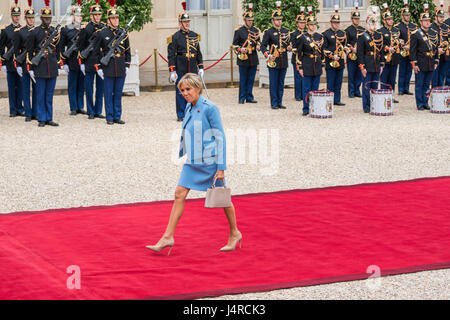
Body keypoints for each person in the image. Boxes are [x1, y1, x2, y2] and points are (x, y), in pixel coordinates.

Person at [146, 73, 241, 255]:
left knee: (222, 198)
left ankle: (235, 233)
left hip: (210, 161)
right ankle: (167, 237)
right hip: (193, 161)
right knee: (179, 194)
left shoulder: (210, 108)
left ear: (198, 88)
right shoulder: (189, 106)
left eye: (188, 89)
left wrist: (221, 167)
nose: (185, 93)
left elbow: (220, 137)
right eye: (182, 90)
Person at [26, 1, 62, 127]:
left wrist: (58, 65)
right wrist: (30, 67)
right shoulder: (35, 32)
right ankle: (41, 118)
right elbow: (29, 51)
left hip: (51, 66)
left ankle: (49, 117)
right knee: (40, 95)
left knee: (49, 95)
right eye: (45, 18)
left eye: (49, 18)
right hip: (40, 67)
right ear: (41, 18)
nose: (47, 20)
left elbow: (58, 50)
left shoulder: (54, 32)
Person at [94, 2, 131, 125]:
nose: (116, 20)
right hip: (108, 67)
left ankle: (117, 115)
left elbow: (128, 50)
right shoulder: (102, 33)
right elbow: (96, 52)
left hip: (120, 66)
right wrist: (98, 67)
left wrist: (127, 65)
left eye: (117, 18)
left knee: (118, 93)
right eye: (113, 18)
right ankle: (109, 116)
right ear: (108, 20)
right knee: (108, 93)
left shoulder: (123, 33)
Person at [168, 1, 204, 122]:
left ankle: (193, 112)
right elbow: (171, 55)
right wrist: (172, 71)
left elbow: (198, 52)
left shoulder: (195, 35)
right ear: (180, 23)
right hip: (181, 66)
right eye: (184, 22)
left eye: (188, 22)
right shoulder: (175, 37)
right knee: (181, 91)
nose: (187, 24)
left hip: (192, 67)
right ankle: (181, 114)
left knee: (193, 90)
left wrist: (201, 67)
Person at [77, 0, 105, 120]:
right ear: (91, 15)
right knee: (89, 88)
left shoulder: (104, 27)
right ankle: (90, 111)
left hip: (102, 61)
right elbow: (80, 46)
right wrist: (81, 63)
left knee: (100, 88)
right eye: (95, 15)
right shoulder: (86, 28)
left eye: (99, 14)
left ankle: (98, 110)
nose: (97, 17)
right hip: (89, 62)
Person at [260, 1, 291, 110]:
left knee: (281, 82)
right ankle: (274, 102)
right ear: (273, 21)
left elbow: (288, 44)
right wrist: (268, 55)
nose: (279, 21)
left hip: (283, 61)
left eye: (280, 19)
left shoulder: (286, 31)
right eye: (277, 20)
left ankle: (280, 102)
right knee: (273, 83)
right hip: (273, 60)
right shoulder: (268, 32)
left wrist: (289, 47)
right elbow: (262, 46)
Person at [295, 11, 324, 116]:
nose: (313, 26)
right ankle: (306, 108)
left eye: (314, 24)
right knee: (306, 88)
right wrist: (300, 67)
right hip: (307, 64)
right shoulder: (302, 37)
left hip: (316, 64)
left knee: (315, 88)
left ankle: (314, 107)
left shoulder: (319, 36)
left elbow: (322, 52)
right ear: (307, 25)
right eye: (311, 25)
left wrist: (322, 65)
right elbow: (299, 53)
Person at [410, 6, 439, 111]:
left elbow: (435, 48)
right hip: (421, 62)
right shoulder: (416, 34)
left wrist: (436, 60)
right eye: (425, 21)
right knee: (419, 84)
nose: (427, 23)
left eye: (428, 21)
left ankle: (425, 102)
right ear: (421, 22)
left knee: (427, 84)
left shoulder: (433, 33)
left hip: (430, 61)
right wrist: (415, 64)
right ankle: (419, 103)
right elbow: (412, 51)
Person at [61, 2, 86, 116]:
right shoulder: (66, 30)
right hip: (72, 61)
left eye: (80, 16)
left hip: (82, 61)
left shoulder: (84, 29)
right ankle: (73, 107)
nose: (79, 17)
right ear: (72, 17)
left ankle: (80, 106)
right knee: (72, 85)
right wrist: (64, 62)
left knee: (81, 85)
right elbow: (61, 47)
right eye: (77, 15)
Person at [13, 1, 36, 122]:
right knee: (25, 90)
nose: (31, 20)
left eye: (32, 18)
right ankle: (28, 113)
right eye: (29, 18)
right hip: (23, 64)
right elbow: (16, 50)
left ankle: (36, 112)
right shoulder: (20, 32)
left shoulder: (38, 31)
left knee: (37, 90)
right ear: (25, 18)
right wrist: (18, 65)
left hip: (35, 64)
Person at [232, 3, 260, 104]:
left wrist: (258, 46)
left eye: (252, 20)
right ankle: (241, 97)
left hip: (253, 57)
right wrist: (240, 49)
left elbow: (258, 42)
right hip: (243, 57)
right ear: (245, 20)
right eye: (249, 20)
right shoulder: (239, 31)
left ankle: (249, 96)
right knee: (243, 79)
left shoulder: (256, 30)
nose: (251, 22)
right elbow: (234, 45)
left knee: (251, 78)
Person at [0, 1, 24, 118]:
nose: (17, 17)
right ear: (11, 16)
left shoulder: (23, 29)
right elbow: (1, 48)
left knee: (20, 86)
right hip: (9, 63)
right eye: (15, 15)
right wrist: (2, 63)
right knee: (11, 86)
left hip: (20, 62)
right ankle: (13, 110)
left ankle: (20, 108)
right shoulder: (5, 30)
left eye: (18, 15)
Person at [357, 13, 385, 113]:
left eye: (374, 24)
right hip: (367, 65)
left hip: (376, 64)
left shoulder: (379, 35)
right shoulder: (362, 36)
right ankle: (366, 106)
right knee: (366, 86)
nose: (373, 26)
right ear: (367, 25)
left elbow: (381, 51)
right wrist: (362, 67)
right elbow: (359, 54)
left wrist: (382, 64)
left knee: (375, 86)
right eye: (371, 24)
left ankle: (374, 104)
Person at [322, 5, 347, 106]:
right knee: (331, 82)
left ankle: (337, 100)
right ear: (331, 23)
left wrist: (347, 50)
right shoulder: (326, 34)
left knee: (338, 82)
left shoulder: (342, 33)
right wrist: (332, 56)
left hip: (340, 61)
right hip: (331, 62)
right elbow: (324, 49)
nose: (336, 24)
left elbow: (345, 45)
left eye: (337, 22)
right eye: (334, 22)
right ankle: (329, 100)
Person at [379, 4, 400, 103]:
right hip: (385, 58)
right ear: (384, 21)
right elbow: (379, 46)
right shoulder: (380, 32)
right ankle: (383, 95)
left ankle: (391, 95)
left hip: (394, 58)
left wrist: (400, 43)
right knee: (384, 79)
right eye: (388, 19)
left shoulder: (396, 30)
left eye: (391, 19)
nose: (391, 21)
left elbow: (398, 41)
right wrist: (387, 48)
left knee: (392, 78)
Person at [396, 0, 417, 96]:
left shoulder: (414, 26)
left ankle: (406, 88)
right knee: (402, 71)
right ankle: (400, 89)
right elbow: (396, 39)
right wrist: (403, 46)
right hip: (402, 52)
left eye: (408, 15)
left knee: (409, 71)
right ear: (402, 16)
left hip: (411, 52)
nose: (407, 16)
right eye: (406, 15)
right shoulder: (398, 26)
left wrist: (411, 47)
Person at [345, 3, 365, 98]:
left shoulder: (363, 29)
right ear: (352, 19)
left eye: (358, 19)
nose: (357, 20)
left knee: (359, 74)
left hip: (360, 56)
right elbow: (346, 43)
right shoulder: (348, 30)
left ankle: (357, 90)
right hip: (352, 55)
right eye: (355, 19)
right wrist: (351, 49)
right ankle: (351, 91)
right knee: (351, 74)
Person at [430, 2, 449, 88]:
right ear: (435, 17)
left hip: (445, 55)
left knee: (442, 75)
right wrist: (437, 50)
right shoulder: (431, 27)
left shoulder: (446, 27)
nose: (442, 19)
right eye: (440, 17)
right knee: (435, 76)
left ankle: (440, 92)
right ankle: (434, 91)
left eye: (442, 17)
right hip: (435, 55)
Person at [290, 7, 306, 102]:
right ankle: (298, 95)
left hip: (306, 59)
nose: (302, 24)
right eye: (300, 22)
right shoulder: (293, 34)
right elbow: (293, 46)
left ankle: (304, 94)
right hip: (297, 58)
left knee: (305, 77)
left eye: (304, 22)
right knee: (298, 77)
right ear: (297, 24)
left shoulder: (308, 33)